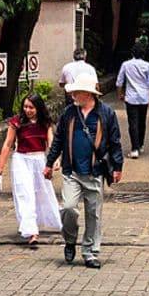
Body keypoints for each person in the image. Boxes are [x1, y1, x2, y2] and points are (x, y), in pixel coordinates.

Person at [44, 73, 124, 269]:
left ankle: (90, 252)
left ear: (87, 94)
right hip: (72, 171)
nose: (73, 95)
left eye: (76, 92)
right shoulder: (69, 113)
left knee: (93, 214)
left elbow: (115, 141)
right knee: (69, 208)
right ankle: (70, 239)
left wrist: (118, 166)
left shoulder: (106, 113)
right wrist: (49, 162)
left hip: (95, 172)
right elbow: (59, 140)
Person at [0, 93, 60, 246]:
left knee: (43, 191)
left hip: (39, 159)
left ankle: (52, 220)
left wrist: (55, 160)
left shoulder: (45, 123)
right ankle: (31, 230)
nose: (28, 110)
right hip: (21, 159)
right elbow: (7, 144)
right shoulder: (16, 122)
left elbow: (51, 143)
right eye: (25, 107)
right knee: (25, 193)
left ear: (38, 108)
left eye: (31, 107)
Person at [116, 44, 149, 158]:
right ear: (143, 54)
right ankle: (141, 145)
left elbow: (119, 82)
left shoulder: (126, 64)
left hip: (131, 98)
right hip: (144, 98)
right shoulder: (147, 65)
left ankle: (134, 149)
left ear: (132, 53)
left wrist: (120, 95)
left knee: (132, 123)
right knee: (142, 122)